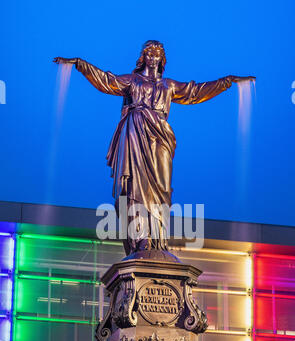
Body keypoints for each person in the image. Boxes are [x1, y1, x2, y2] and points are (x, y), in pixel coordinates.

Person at [54, 40, 255, 256]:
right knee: (135, 189)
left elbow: (195, 92)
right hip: (135, 133)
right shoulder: (132, 81)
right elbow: (106, 80)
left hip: (161, 138)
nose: (152, 57)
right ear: (143, 57)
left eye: (157, 54)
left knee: (163, 189)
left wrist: (226, 82)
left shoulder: (169, 85)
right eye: (149, 53)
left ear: (161, 59)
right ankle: (141, 239)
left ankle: (158, 239)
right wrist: (80, 64)